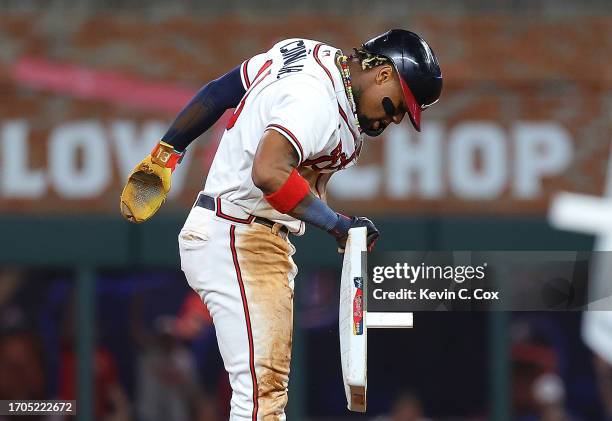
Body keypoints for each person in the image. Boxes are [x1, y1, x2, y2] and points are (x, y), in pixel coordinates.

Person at [121, 29, 442, 420]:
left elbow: (223, 89)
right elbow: (270, 172)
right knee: (260, 397)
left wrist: (169, 148)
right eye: (398, 103)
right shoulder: (316, 99)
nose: (395, 117)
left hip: (251, 234)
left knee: (264, 393)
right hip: (238, 234)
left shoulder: (310, 56)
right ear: (381, 73)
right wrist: (337, 225)